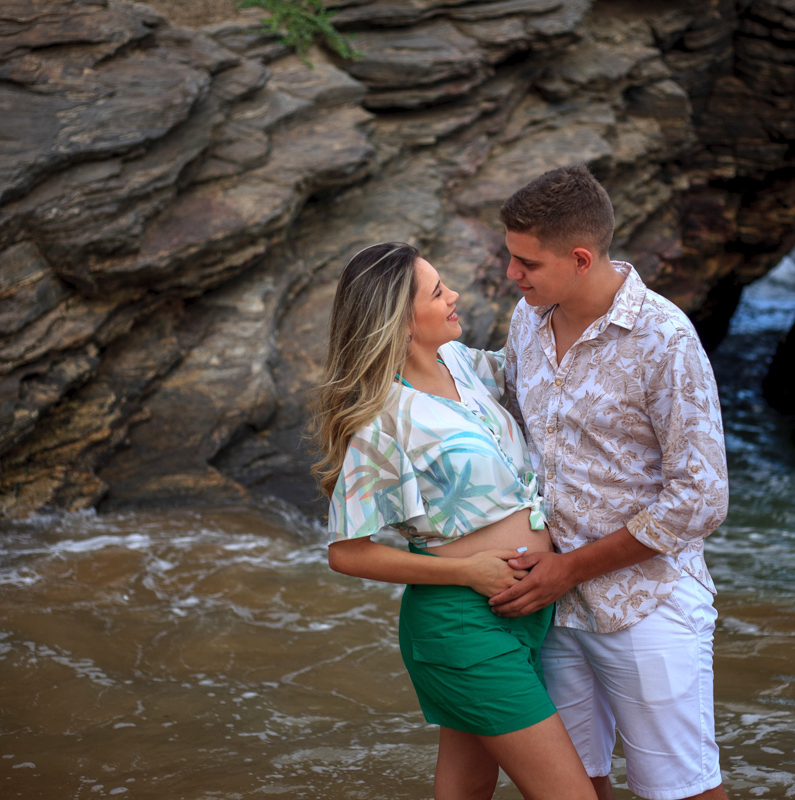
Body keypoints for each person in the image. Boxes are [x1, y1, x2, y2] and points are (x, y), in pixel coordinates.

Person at [311, 242, 599, 800]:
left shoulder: (463, 363)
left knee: (467, 789)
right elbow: (347, 552)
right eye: (438, 291)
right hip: (463, 623)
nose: (454, 296)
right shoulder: (382, 419)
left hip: (525, 611)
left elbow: (545, 368)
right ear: (399, 318)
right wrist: (467, 573)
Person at [489, 165, 731, 800]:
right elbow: (510, 427)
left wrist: (571, 570)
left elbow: (700, 499)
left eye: (526, 263)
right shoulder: (527, 319)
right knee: (572, 786)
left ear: (579, 257)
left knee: (682, 791)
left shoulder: (665, 338)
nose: (512, 275)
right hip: (553, 608)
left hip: (646, 605)